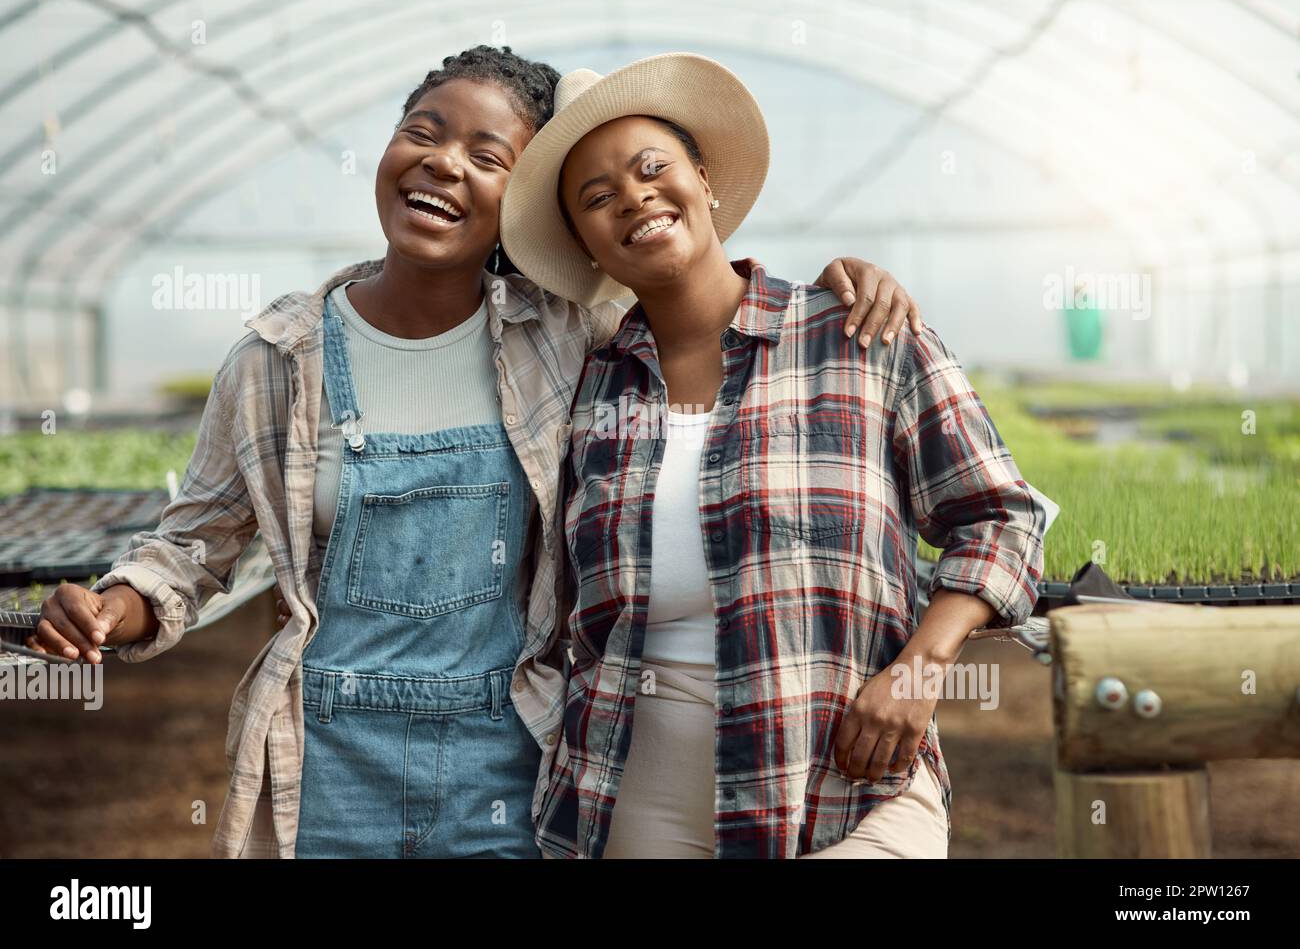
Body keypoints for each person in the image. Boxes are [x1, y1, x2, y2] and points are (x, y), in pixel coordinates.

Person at [29, 45, 929, 858]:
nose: (443, 163)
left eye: (487, 158)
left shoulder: (568, 339)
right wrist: (114, 607)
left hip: (507, 762)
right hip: (327, 765)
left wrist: (838, 285)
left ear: (519, 207)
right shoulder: (278, 362)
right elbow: (191, 549)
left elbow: (687, 283)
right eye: (421, 133)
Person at [499, 52, 1049, 858]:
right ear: (585, 243)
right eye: (597, 197)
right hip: (632, 792)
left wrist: (920, 671)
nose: (635, 197)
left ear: (705, 178)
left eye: (653, 168)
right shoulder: (588, 388)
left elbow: (1003, 518)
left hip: (848, 784)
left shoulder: (859, 334)